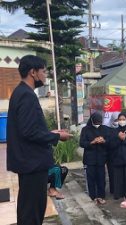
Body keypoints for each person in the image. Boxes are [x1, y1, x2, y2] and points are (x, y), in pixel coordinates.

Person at [7, 55, 72, 225]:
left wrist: (49, 131)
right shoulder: (26, 95)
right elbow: (29, 132)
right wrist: (57, 136)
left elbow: (27, 129)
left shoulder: (20, 92)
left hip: (28, 162)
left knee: (28, 210)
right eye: (43, 71)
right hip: (32, 163)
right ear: (33, 72)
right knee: (32, 214)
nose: (45, 75)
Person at [79, 112, 109, 204]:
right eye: (96, 123)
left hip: (101, 158)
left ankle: (101, 196)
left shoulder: (105, 129)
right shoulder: (85, 129)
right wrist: (92, 142)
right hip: (89, 159)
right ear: (92, 120)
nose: (97, 125)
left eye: (99, 123)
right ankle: (93, 197)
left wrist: (104, 141)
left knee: (101, 178)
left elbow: (110, 141)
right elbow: (82, 143)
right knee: (90, 178)